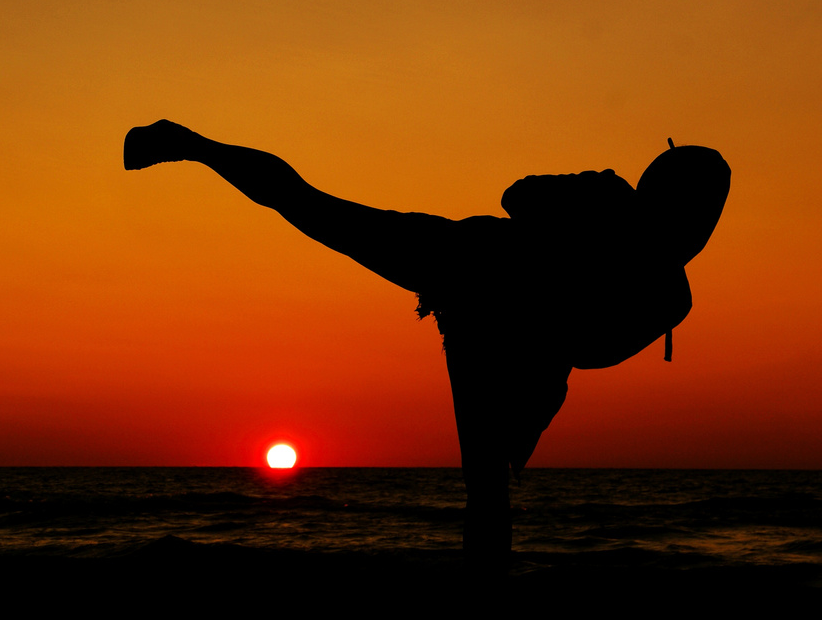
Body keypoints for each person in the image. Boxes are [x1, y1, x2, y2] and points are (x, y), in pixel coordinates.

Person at [124, 119, 730, 563]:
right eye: (698, 211)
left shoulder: (671, 297)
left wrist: (543, 364)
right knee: (312, 207)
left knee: (489, 485)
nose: (701, 228)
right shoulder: (608, 206)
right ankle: (190, 145)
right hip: (463, 262)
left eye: (710, 216)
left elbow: (593, 350)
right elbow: (516, 197)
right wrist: (587, 197)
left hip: (506, 343)